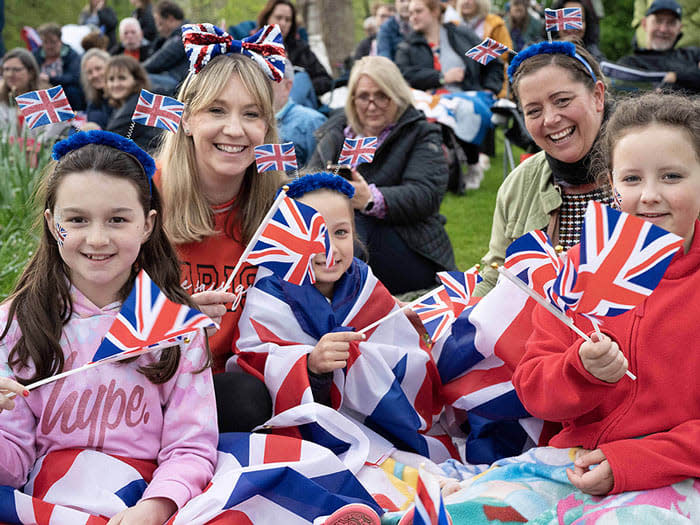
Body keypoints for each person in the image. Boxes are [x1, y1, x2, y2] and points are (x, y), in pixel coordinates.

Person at [0, 130, 217, 522]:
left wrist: (153, 508)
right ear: (52, 224)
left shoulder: (176, 325)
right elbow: (12, 463)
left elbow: (191, 447)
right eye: (77, 220)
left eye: (118, 219)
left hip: (148, 496)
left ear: (147, 225)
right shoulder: (15, 323)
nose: (97, 239)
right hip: (49, 502)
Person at [513, 92, 700, 498]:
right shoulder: (578, 271)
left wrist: (634, 461)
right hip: (573, 464)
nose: (649, 194)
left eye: (671, 176)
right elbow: (532, 389)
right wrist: (580, 369)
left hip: (679, 472)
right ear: (611, 187)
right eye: (632, 179)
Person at [234, 172, 459, 464]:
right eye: (312, 236)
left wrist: (399, 325)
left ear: (354, 233)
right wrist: (311, 365)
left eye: (340, 233)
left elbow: (405, 354)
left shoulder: (364, 283)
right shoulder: (270, 293)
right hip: (309, 432)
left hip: (380, 425)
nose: (328, 248)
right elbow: (255, 359)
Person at [156, 32, 285, 429]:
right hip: (151, 376)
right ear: (188, 119)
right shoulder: (142, 196)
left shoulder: (282, 210)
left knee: (248, 397)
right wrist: (177, 316)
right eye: (217, 110)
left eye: (251, 114)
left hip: (232, 386)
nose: (235, 129)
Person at [474, 41, 612, 296]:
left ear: (597, 96)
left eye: (562, 101)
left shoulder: (653, 165)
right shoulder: (518, 185)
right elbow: (495, 279)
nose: (550, 119)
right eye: (534, 110)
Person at [308, 56, 455, 294]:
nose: (372, 105)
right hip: (338, 238)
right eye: (364, 96)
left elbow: (426, 194)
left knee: (355, 225)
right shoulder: (336, 130)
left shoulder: (421, 133)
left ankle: (338, 301)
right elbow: (310, 181)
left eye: (382, 96)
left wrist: (370, 199)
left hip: (410, 245)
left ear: (396, 95)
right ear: (353, 99)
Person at [395, 0, 503, 191]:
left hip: (468, 95)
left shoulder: (461, 35)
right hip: (431, 100)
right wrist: (441, 78)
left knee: (466, 108)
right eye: (410, 13)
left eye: (418, 11)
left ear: (435, 11)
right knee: (437, 110)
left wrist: (490, 89)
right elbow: (402, 74)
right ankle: (447, 168)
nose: (413, 17)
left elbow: (493, 62)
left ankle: (472, 162)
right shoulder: (408, 45)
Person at [619, 0, 700, 95]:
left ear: (679, 28)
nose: (663, 29)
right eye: (658, 21)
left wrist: (676, 77)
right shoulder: (629, 64)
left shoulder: (693, 55)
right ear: (644, 24)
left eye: (671, 23)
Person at [257, 0, 333, 102]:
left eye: (288, 20)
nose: (283, 23)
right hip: (263, 98)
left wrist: (301, 84)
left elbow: (326, 80)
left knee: (302, 77)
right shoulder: (252, 47)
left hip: (298, 104)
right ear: (267, 18)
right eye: (279, 18)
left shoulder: (301, 49)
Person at [272, 59, 327, 167]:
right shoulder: (249, 121)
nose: (260, 87)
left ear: (287, 86)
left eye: (268, 80)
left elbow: (321, 173)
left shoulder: (311, 122)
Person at [104, 55, 162, 151]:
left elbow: (110, 138)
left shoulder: (139, 104)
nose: (116, 84)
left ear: (137, 80)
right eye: (111, 79)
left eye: (122, 78)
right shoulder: (120, 105)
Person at [457, 0, 512, 97]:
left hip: (491, 85)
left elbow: (505, 54)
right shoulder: (454, 25)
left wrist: (474, 55)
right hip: (461, 86)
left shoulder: (495, 24)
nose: (466, 2)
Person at [34, 23, 85, 111]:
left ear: (60, 40)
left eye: (53, 42)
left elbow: (73, 77)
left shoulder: (71, 55)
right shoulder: (36, 55)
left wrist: (50, 79)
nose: (49, 46)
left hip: (65, 93)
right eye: (45, 42)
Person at [143, 0, 188, 95]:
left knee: (135, 81)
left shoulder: (184, 35)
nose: (158, 28)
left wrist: (134, 70)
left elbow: (161, 58)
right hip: (174, 78)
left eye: (159, 23)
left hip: (178, 81)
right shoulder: (176, 35)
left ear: (170, 19)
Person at [80, 48, 112, 129]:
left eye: (98, 68)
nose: (95, 75)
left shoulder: (122, 96)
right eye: (89, 72)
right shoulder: (93, 101)